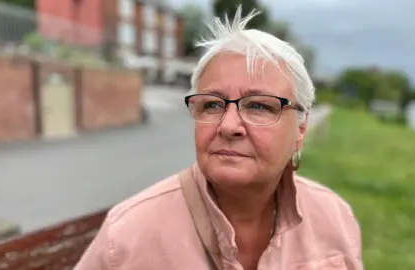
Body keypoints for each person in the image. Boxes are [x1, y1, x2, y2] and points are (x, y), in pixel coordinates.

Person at [75, 6, 362, 270]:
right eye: (212, 104)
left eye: (259, 105)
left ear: (301, 127)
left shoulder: (333, 218)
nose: (228, 126)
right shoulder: (127, 239)